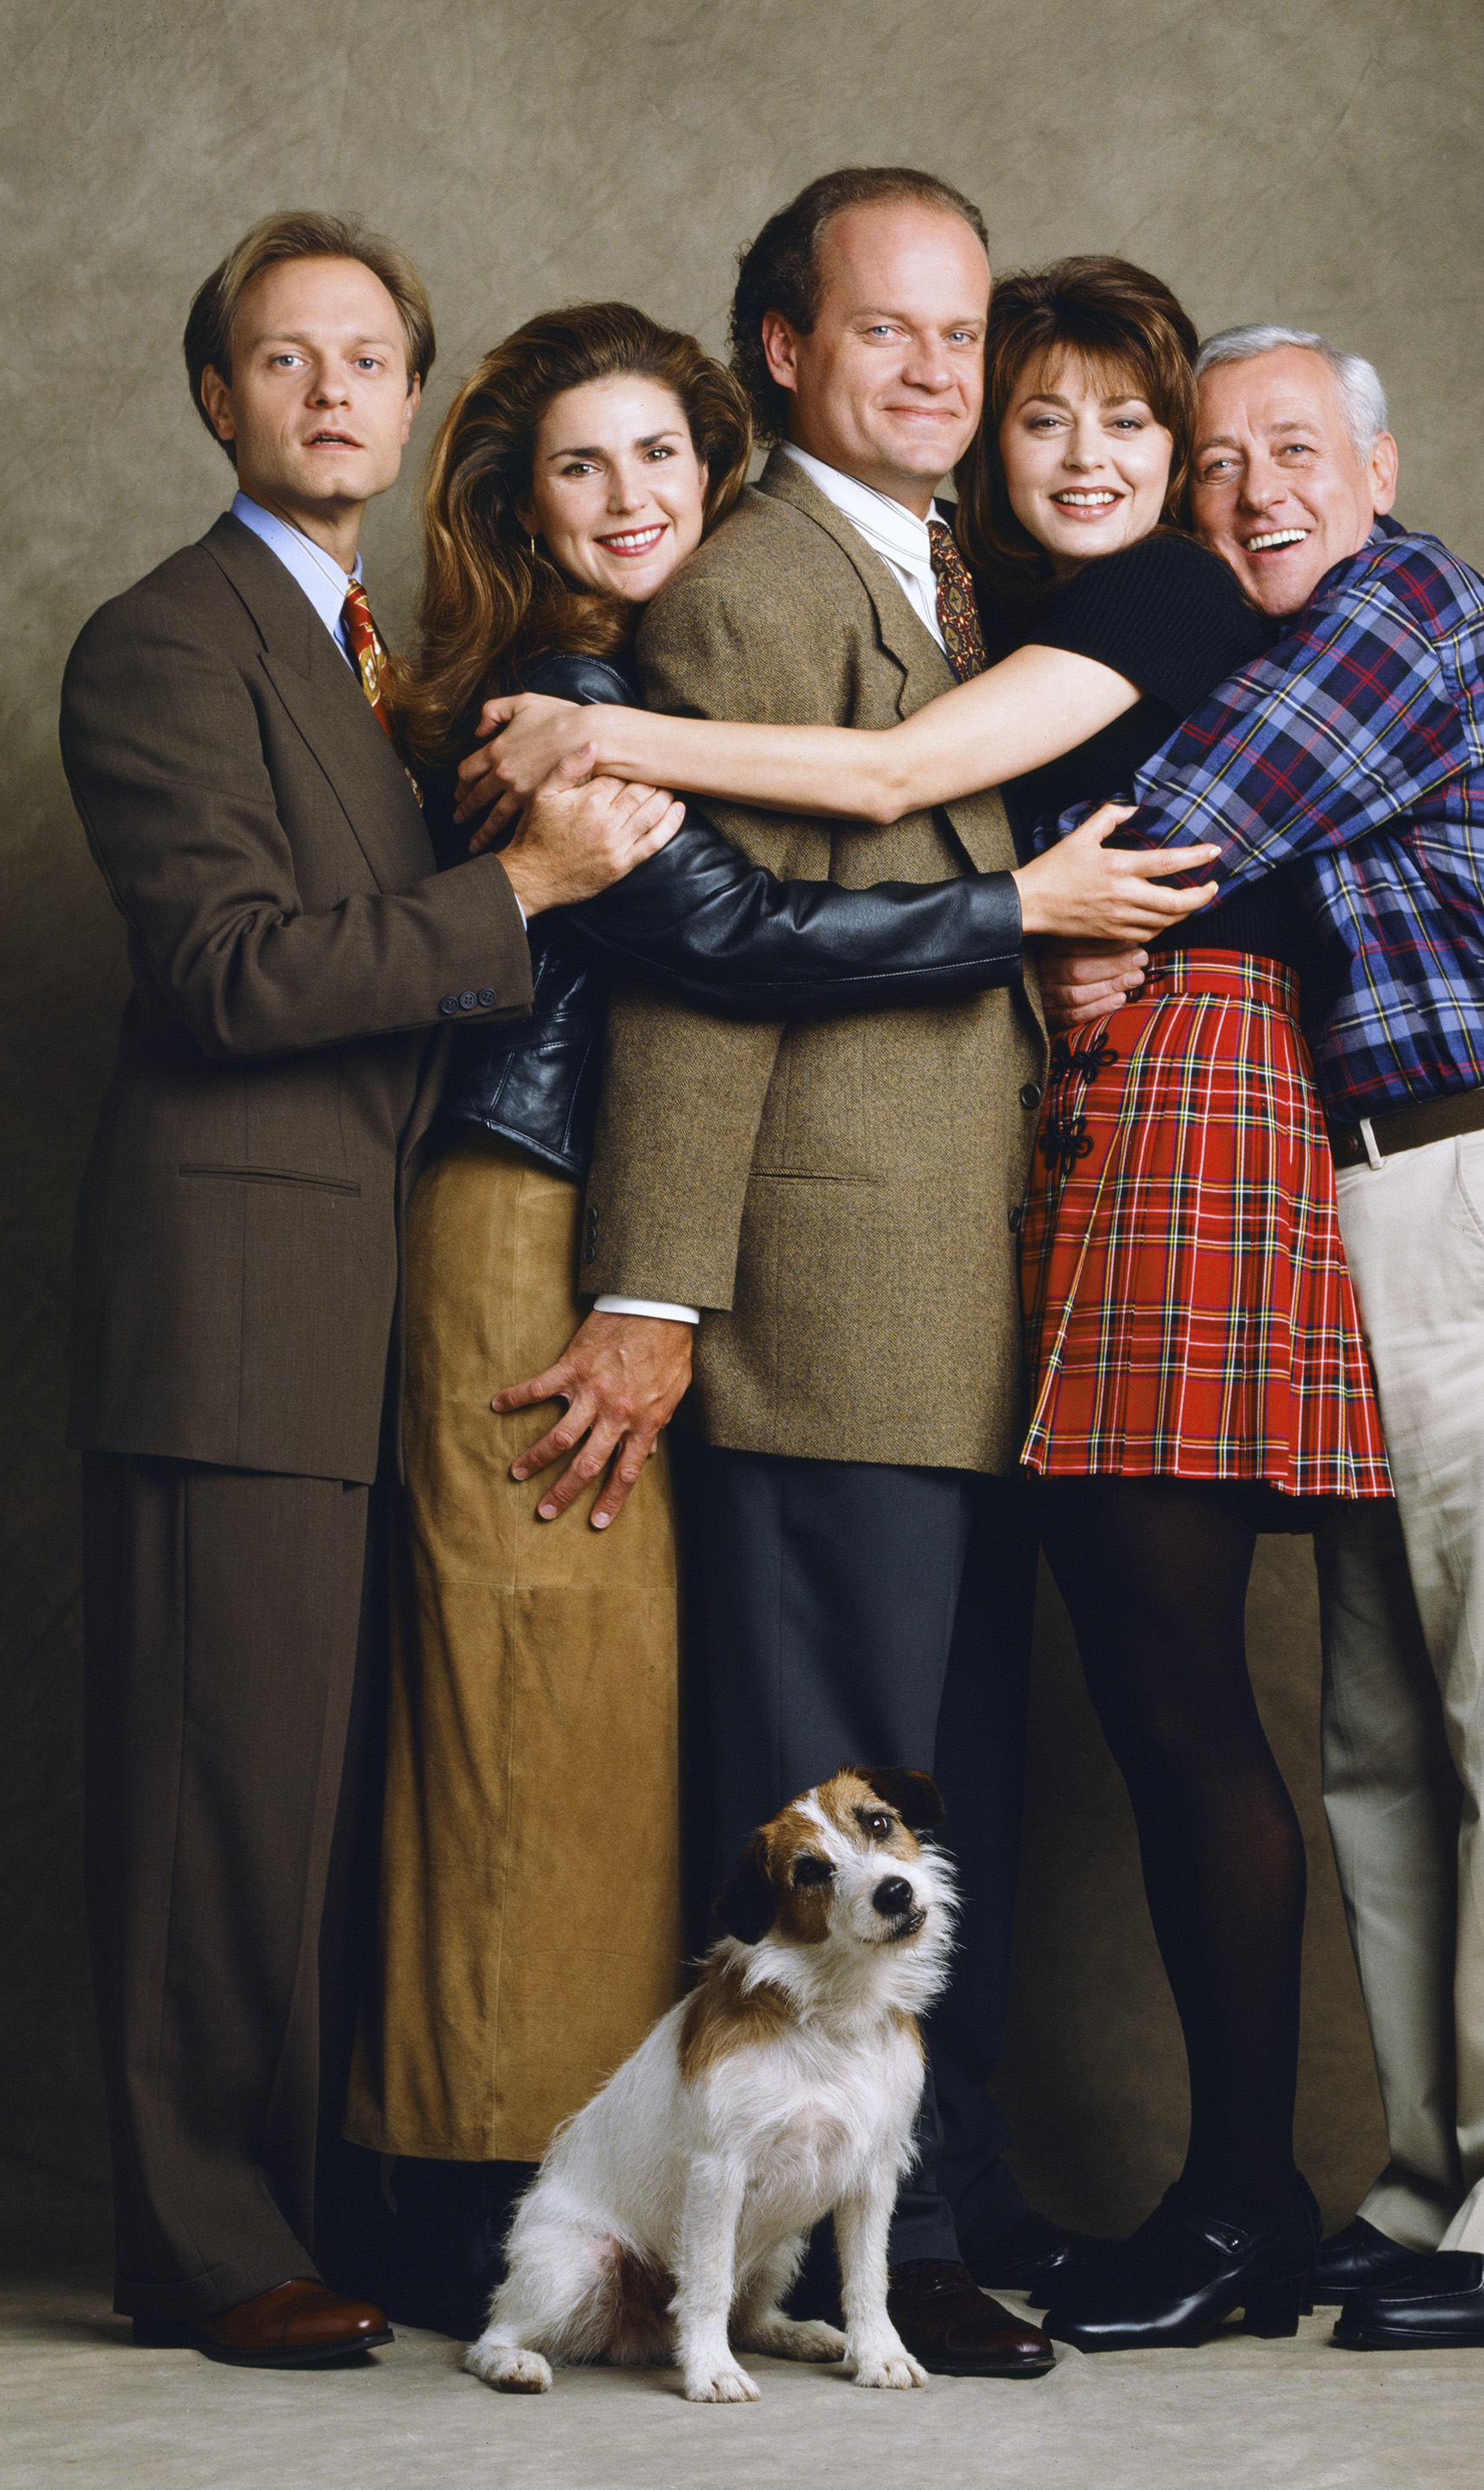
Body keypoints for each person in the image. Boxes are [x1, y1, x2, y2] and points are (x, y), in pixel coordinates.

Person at [461, 256, 1394, 2351]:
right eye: (907, 334)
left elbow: (913, 818)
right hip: (845, 1281)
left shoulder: (1067, 595)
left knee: (928, 1796)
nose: (971, 391)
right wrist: (661, 1287)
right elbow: (700, 978)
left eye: (976, 345)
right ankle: (884, 2248)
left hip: (993, 1263)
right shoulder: (768, 583)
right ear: (785, 352)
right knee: (840, 1809)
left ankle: (950, 2211)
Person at [345, 301, 1202, 2335]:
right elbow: (718, 963)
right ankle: (650, 2224)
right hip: (657, 1244)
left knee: (826, 1770)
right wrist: (657, 1292)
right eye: (583, 465)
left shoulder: (896, 579)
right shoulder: (600, 677)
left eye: (660, 458)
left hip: (867, 1277)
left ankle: (885, 2219)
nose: (634, 500)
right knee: (701, 1757)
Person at [58, 212, 683, 2368]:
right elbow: (230, 975)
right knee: (214, 1796)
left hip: (362, 1293)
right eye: (280, 356)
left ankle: (288, 2209)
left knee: (311, 1791)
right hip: (235, 1298)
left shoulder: (369, 658)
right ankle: (202, 2245)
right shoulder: (169, 639)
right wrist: (508, 881)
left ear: (408, 399)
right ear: (216, 395)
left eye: (367, 359)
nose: (331, 390)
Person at [1045, 326, 1484, 2351]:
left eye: (1294, 451)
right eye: (1213, 464)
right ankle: (1426, 2188)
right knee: (1390, 1749)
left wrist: (1058, 910)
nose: (1250, 494)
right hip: (1373, 1191)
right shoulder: (1303, 634)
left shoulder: (1406, 609)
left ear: (1378, 471)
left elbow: (1177, 824)